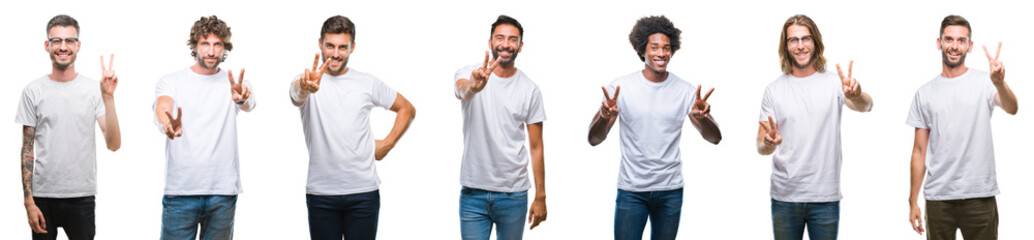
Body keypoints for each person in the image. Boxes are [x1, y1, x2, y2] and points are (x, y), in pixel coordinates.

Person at [587, 15, 722, 240]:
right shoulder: (621, 88)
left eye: (666, 48)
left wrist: (705, 117)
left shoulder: (685, 91)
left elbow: (715, 138)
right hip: (632, 190)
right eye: (655, 47)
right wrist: (603, 116)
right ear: (642, 50)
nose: (661, 53)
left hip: (670, 190)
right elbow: (594, 139)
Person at [289, 15, 416, 240]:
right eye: (330, 46)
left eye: (342, 47)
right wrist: (304, 86)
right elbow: (296, 94)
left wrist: (388, 143)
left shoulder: (367, 82)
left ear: (352, 47)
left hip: (363, 193)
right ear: (320, 44)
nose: (335, 53)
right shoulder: (309, 80)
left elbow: (406, 108)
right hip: (321, 194)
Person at [756, 14, 873, 240]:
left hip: (825, 197)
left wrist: (857, 94)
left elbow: (865, 106)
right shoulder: (774, 90)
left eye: (806, 38)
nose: (800, 46)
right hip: (785, 198)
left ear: (815, 42)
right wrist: (768, 142)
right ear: (786, 45)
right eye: (793, 40)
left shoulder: (833, 84)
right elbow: (761, 146)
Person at [907, 15, 1017, 240]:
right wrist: (912, 201)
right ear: (939, 43)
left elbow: (1012, 107)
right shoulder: (924, 93)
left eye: (961, 40)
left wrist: (999, 82)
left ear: (970, 45)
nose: (954, 46)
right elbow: (919, 151)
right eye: (949, 39)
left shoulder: (985, 82)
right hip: (939, 198)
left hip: (980, 196)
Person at [17, 14, 122, 240]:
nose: (63, 47)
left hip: (81, 197)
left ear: (78, 45)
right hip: (43, 197)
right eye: (57, 40)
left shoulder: (94, 89)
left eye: (69, 41)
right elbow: (27, 149)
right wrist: (28, 201)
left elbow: (113, 144)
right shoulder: (33, 90)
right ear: (47, 45)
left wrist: (109, 98)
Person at [153, 15, 255, 240]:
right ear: (194, 45)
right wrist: (167, 122)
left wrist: (240, 98)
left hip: (222, 193)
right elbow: (163, 105)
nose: (211, 51)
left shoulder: (235, 83)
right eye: (205, 43)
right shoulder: (172, 81)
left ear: (224, 48)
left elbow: (248, 103)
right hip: (180, 193)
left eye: (217, 44)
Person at [453, 15, 547, 240]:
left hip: (513, 195)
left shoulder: (530, 89)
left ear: (520, 46)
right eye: (500, 38)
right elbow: (462, 90)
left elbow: (536, 147)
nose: (505, 44)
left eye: (512, 39)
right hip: (473, 193)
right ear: (490, 43)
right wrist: (474, 87)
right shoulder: (469, 74)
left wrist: (541, 196)